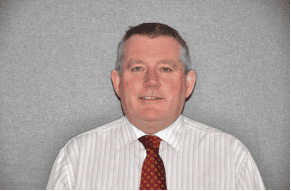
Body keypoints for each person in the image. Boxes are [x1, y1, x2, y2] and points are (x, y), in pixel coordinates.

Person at [46, 23, 265, 190]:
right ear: (117, 82)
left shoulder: (231, 157)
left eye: (166, 69)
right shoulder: (77, 157)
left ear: (188, 83)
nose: (151, 81)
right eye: (138, 68)